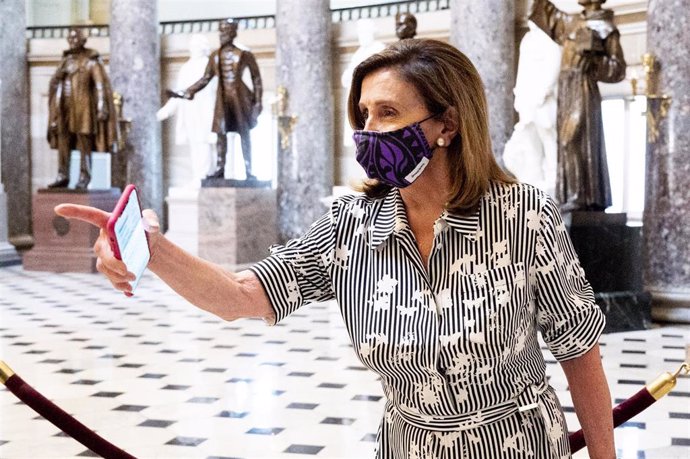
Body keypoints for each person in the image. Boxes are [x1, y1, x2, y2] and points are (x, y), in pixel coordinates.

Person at [55, 39, 615, 458]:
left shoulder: (522, 216)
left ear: (446, 124)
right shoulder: (353, 224)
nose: (369, 131)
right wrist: (150, 248)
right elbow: (241, 295)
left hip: (514, 445)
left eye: (388, 113)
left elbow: (579, 356)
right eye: (364, 115)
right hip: (406, 446)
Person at [530, 0, 626, 212]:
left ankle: (580, 196)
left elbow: (618, 69)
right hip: (566, 88)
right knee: (564, 144)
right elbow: (542, 12)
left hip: (582, 86)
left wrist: (591, 62)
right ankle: (570, 196)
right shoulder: (571, 22)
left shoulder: (606, 28)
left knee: (570, 140)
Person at [175, 19, 263, 181]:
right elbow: (206, 78)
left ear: (233, 32)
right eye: (221, 31)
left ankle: (249, 169)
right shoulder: (215, 56)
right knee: (221, 134)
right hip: (222, 100)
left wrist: (258, 102)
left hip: (240, 98)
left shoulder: (244, 54)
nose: (222, 34)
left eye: (226, 31)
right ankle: (220, 168)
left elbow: (256, 78)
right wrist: (187, 91)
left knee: (244, 134)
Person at [47, 28, 117, 190]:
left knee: (83, 142)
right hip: (64, 107)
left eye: (75, 39)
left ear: (83, 41)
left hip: (83, 107)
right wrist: (59, 75)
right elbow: (54, 83)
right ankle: (63, 175)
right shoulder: (65, 60)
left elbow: (101, 85)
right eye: (70, 38)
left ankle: (85, 175)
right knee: (64, 140)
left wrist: (102, 105)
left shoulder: (91, 60)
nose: (72, 42)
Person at [503, 20, 562, 199]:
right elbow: (523, 69)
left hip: (543, 99)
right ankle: (532, 180)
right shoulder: (527, 40)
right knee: (529, 139)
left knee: (549, 138)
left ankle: (553, 180)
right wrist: (519, 92)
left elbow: (554, 65)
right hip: (528, 97)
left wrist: (544, 90)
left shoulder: (549, 42)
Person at [157, 34, 217, 187]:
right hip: (190, 110)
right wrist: (166, 110)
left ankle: (206, 174)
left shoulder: (208, 65)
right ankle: (198, 174)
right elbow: (179, 92)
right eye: (193, 46)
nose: (194, 49)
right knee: (195, 143)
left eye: (197, 46)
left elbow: (215, 90)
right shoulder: (186, 67)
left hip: (205, 109)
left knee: (205, 142)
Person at [341, 19, 386, 148]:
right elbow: (349, 74)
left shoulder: (379, 49)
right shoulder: (359, 52)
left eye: (363, 33)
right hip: (357, 98)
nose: (361, 37)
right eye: (360, 33)